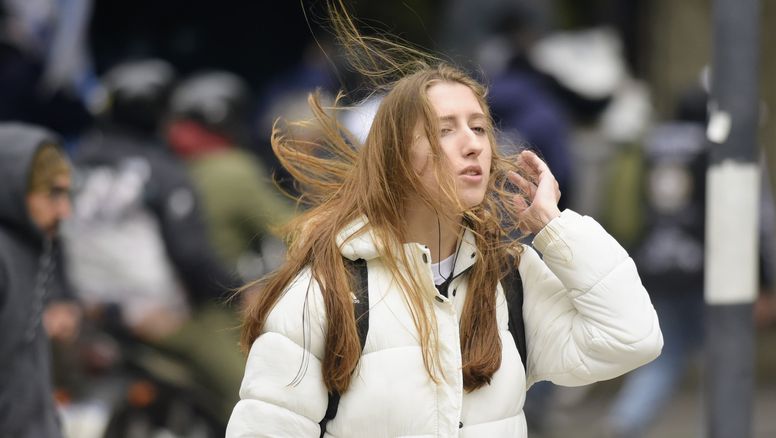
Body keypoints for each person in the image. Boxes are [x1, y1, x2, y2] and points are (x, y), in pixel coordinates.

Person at [226, 3, 663, 437]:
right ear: (396, 157)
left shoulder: (510, 279)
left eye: (478, 127)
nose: (472, 144)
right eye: (445, 129)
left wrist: (553, 225)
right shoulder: (328, 290)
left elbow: (632, 339)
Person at [165, 70, 296, 281]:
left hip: (183, 304)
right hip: (231, 304)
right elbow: (291, 230)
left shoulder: (170, 166)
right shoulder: (231, 169)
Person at [0, 123, 77, 438]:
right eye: (53, 193)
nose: (65, 210)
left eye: (67, 193)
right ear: (13, 188)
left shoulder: (35, 243)